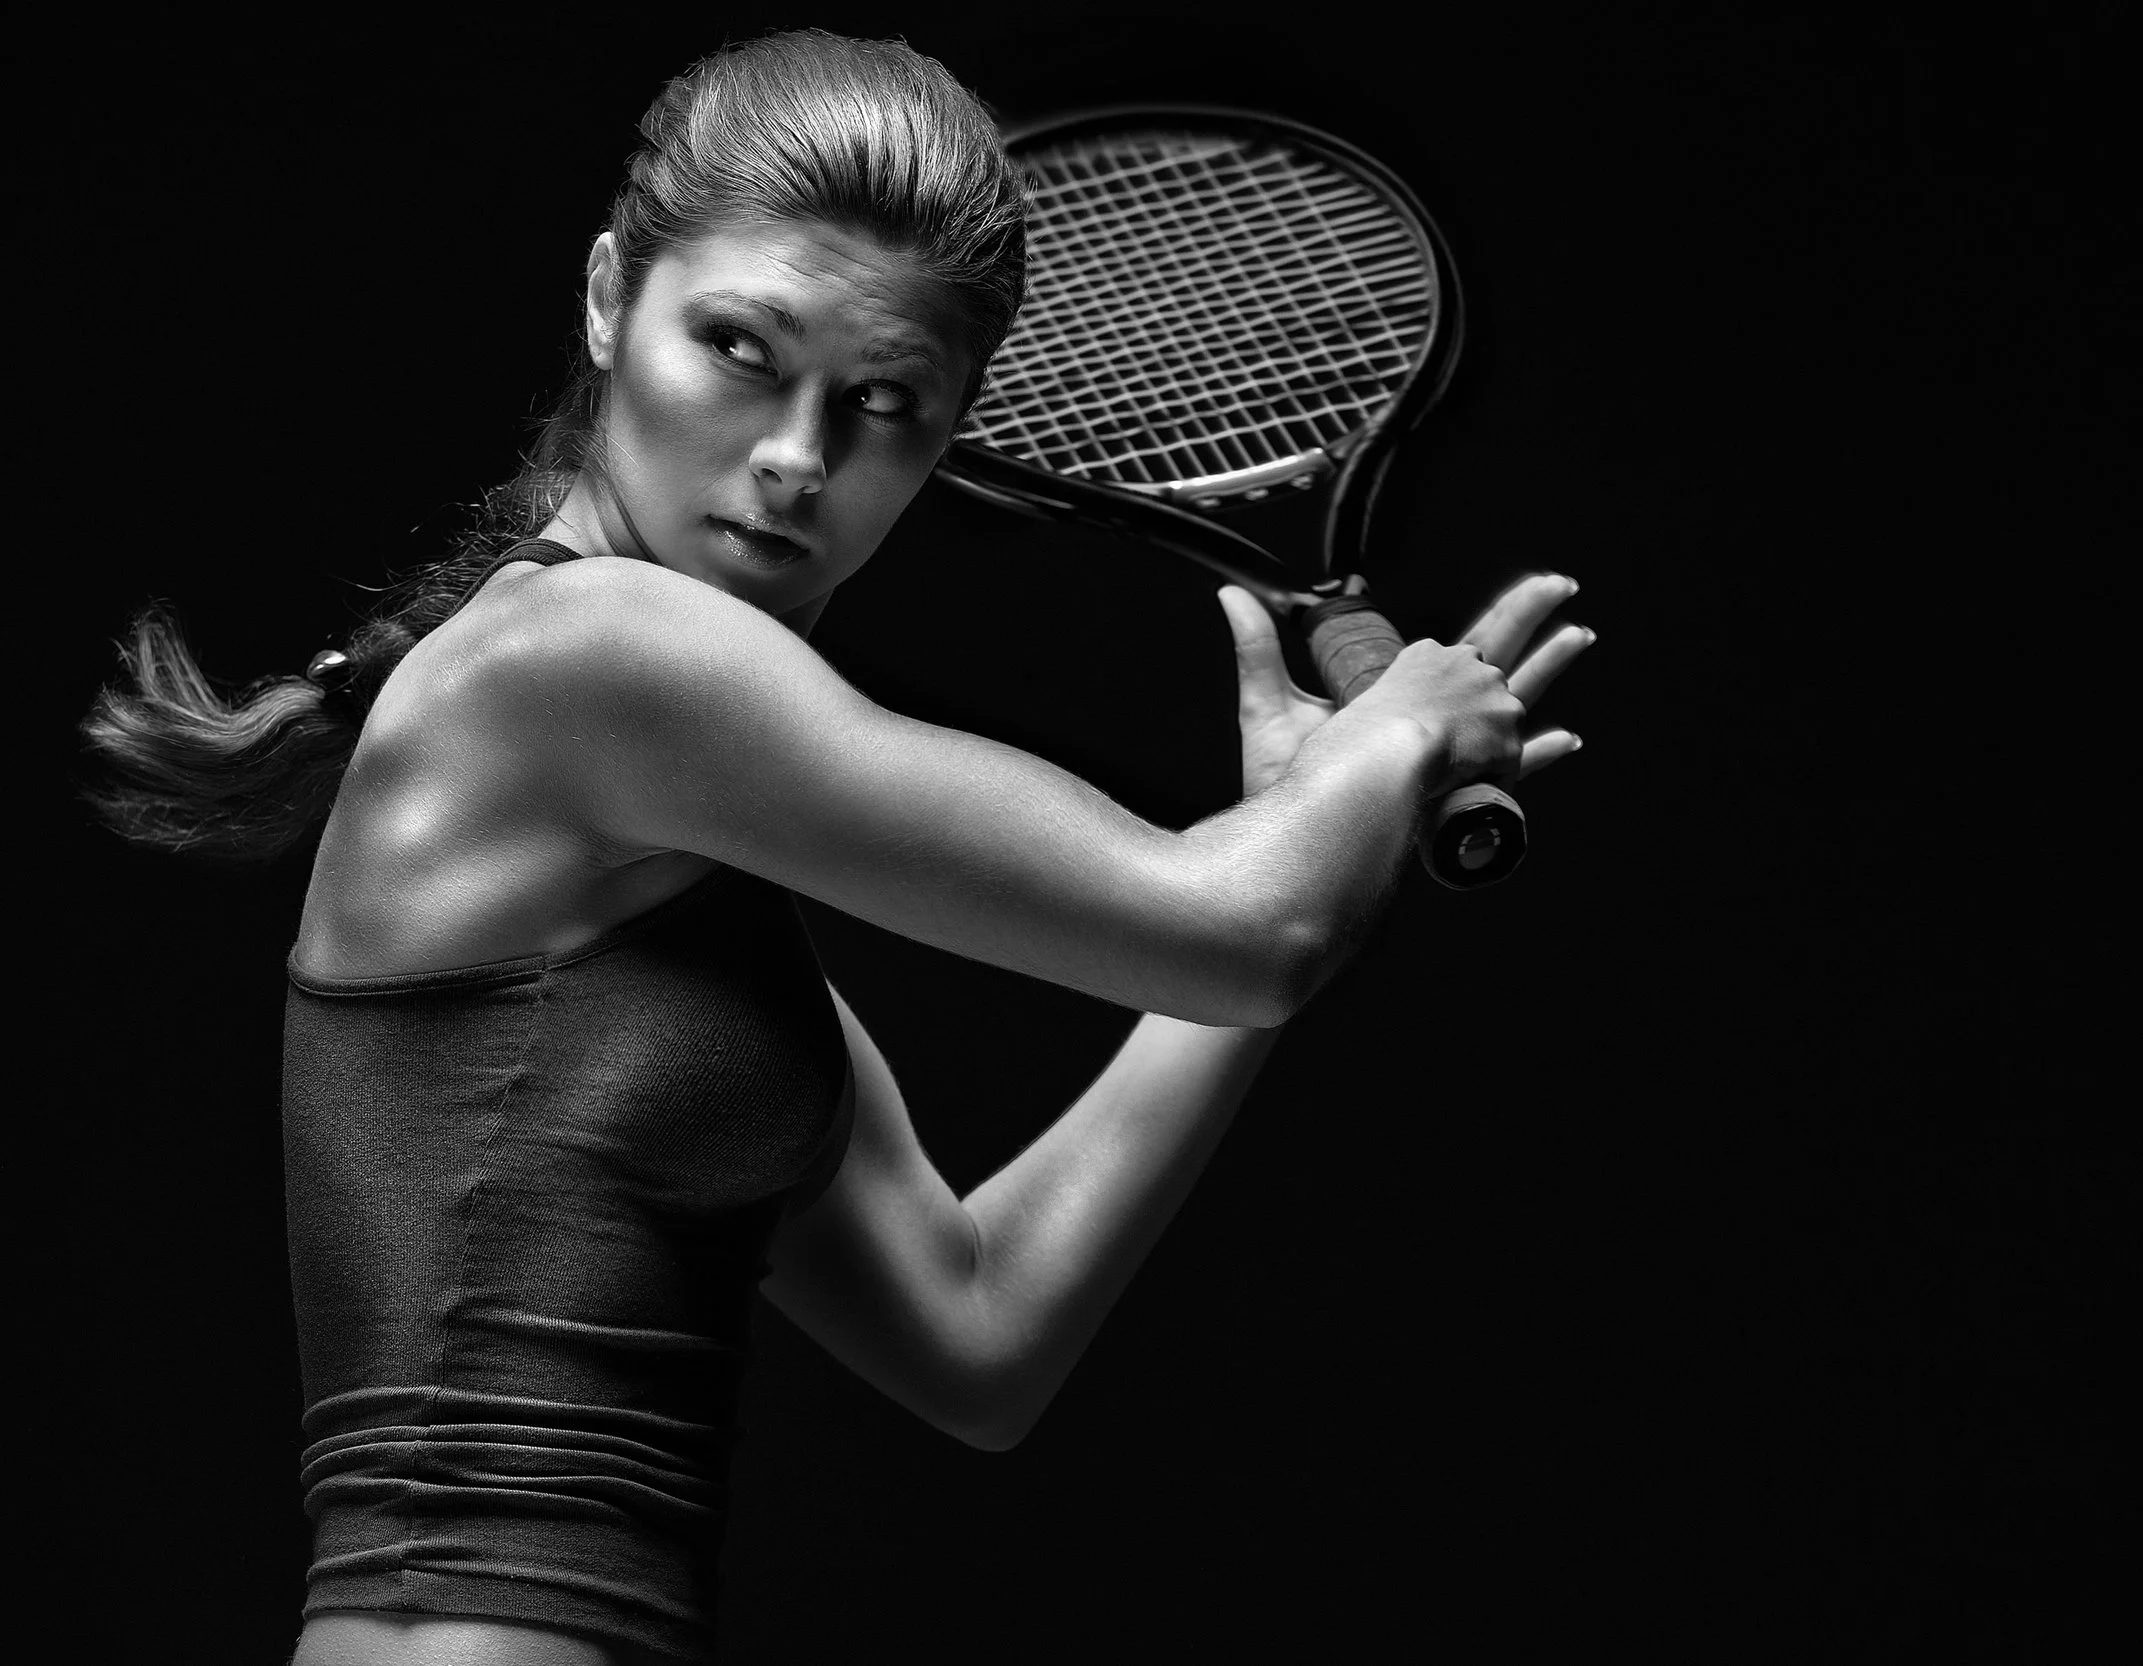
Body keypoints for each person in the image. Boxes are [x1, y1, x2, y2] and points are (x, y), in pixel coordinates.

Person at [81, 29, 1589, 1666]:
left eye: (881, 403)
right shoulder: (600, 659)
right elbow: (1241, 932)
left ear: (947, 432)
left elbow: (978, 1325)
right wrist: (1391, 740)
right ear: (609, 299)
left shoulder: (669, 875)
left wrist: (1294, 827)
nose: (798, 456)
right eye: (738, 347)